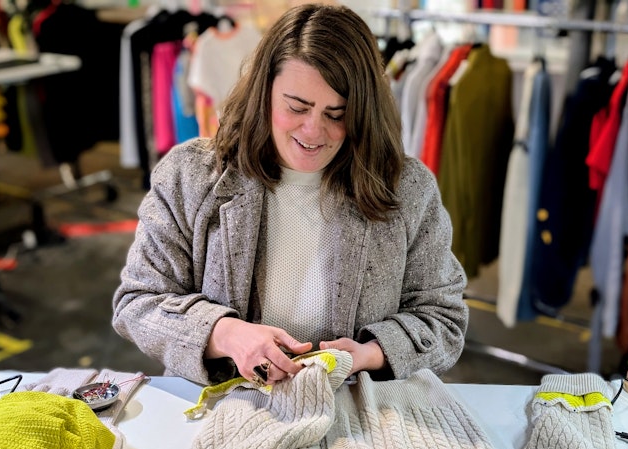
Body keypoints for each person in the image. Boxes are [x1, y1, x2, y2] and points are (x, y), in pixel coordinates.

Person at [112, 3, 468, 388]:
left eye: (337, 114)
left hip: (353, 410)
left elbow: (444, 318)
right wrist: (225, 334)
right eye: (297, 107)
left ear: (364, 112)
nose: (313, 131)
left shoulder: (406, 188)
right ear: (263, 91)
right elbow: (137, 302)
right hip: (221, 405)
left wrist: (370, 354)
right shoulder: (191, 176)